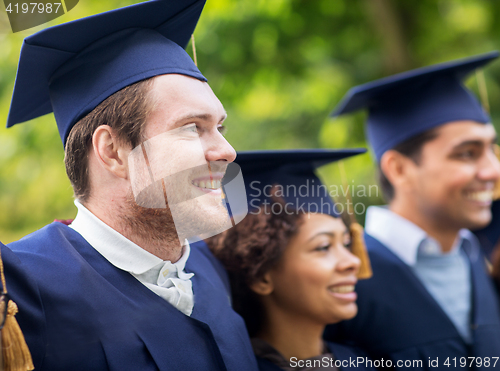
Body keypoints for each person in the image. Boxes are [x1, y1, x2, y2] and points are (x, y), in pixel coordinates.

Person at [5, 1, 257, 370]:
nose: (227, 151)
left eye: (221, 127)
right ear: (114, 151)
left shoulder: (209, 270)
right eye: (192, 128)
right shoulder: (22, 292)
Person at [325, 52, 500, 370]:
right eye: (467, 154)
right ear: (400, 169)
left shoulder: (475, 257)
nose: (493, 171)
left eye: (492, 149)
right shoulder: (345, 277)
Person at [208, 149, 376, 371]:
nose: (352, 262)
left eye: (345, 243)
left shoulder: (361, 363)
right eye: (323, 247)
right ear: (261, 277)